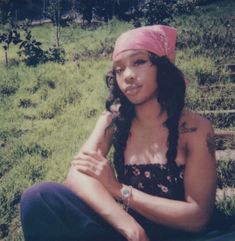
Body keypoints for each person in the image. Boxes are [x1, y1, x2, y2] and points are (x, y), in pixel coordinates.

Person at [20, 25, 217, 241]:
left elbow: (198, 219)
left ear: (162, 67)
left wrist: (118, 189)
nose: (128, 76)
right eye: (119, 69)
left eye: (139, 62)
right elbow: (77, 175)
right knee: (38, 197)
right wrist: (129, 227)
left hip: (180, 236)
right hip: (126, 234)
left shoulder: (195, 129)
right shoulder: (113, 121)